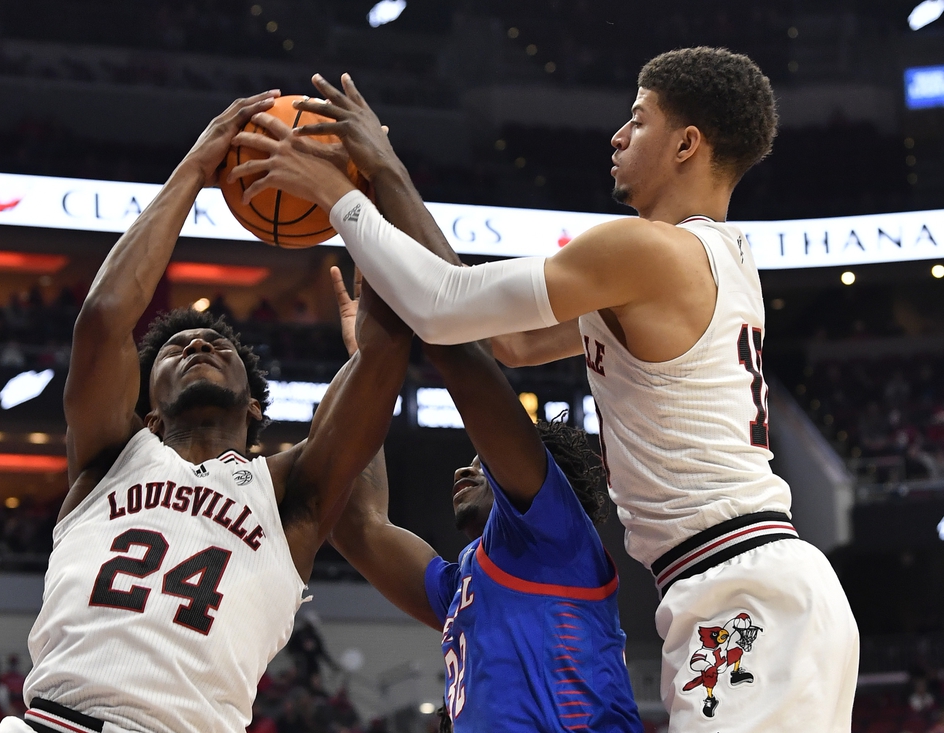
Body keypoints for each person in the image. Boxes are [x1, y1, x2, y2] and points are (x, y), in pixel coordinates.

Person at [231, 48, 859, 731]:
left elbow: (443, 304)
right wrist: (383, 176)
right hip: (736, 585)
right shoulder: (697, 262)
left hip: (746, 589)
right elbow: (506, 342)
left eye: (638, 120)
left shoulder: (650, 252)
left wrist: (342, 192)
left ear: (686, 144)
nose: (618, 136)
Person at [0, 91, 410, 733]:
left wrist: (369, 183)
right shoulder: (114, 456)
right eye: (172, 349)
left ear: (254, 402)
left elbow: (382, 364)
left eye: (218, 343)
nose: (197, 341)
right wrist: (194, 168)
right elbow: (104, 321)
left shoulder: (289, 492)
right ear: (147, 409)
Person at [327, 268, 641, 732]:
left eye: (482, 466)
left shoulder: (556, 534)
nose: (464, 471)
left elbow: (470, 376)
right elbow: (359, 525)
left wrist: (422, 289)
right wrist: (366, 367)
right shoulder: (465, 588)